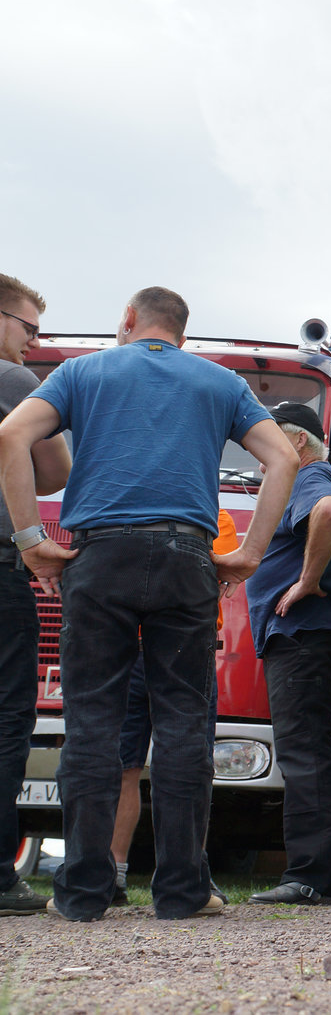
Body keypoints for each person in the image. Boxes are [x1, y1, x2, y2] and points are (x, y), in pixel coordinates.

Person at [0, 286, 297, 921]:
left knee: (93, 724)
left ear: (128, 320)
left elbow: (11, 436)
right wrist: (248, 553)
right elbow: (281, 459)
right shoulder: (216, 383)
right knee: (186, 723)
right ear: (182, 336)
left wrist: (30, 541)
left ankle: (80, 892)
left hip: (98, 559)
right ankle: (184, 890)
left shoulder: (82, 372)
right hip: (186, 559)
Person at [246, 402, 331, 907]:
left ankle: (309, 878)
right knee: (307, 752)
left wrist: (307, 580)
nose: (258, 460)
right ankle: (316, 876)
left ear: (296, 443)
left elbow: (329, 513)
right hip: (306, 636)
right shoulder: (315, 479)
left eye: (266, 444)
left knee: (303, 754)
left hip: (301, 634)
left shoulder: (311, 478)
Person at [109, 509, 237, 906]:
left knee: (140, 765)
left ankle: (122, 874)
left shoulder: (125, 517)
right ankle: (131, 875)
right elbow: (212, 581)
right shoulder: (214, 520)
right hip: (176, 648)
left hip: (143, 646)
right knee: (176, 762)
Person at [0, 274, 71, 917]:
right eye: (27, 328)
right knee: (5, 718)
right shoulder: (16, 383)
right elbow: (56, 471)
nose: (33, 343)